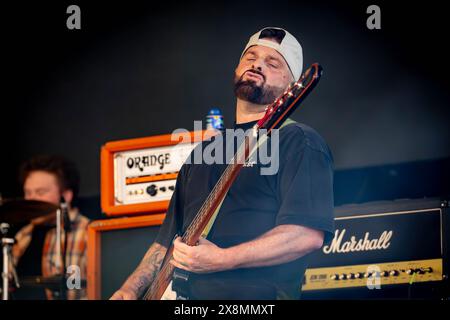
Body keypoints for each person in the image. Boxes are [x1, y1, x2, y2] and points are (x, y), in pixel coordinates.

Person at [111, 27, 335, 300]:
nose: (257, 64)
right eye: (250, 56)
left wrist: (222, 259)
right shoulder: (203, 152)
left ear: (291, 87)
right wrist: (129, 290)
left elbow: (305, 235)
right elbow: (165, 243)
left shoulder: (297, 140)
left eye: (272, 62)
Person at [12, 155, 89, 299]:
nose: (31, 200)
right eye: (28, 193)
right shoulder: (23, 235)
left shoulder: (88, 233)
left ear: (65, 196)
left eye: (40, 192)